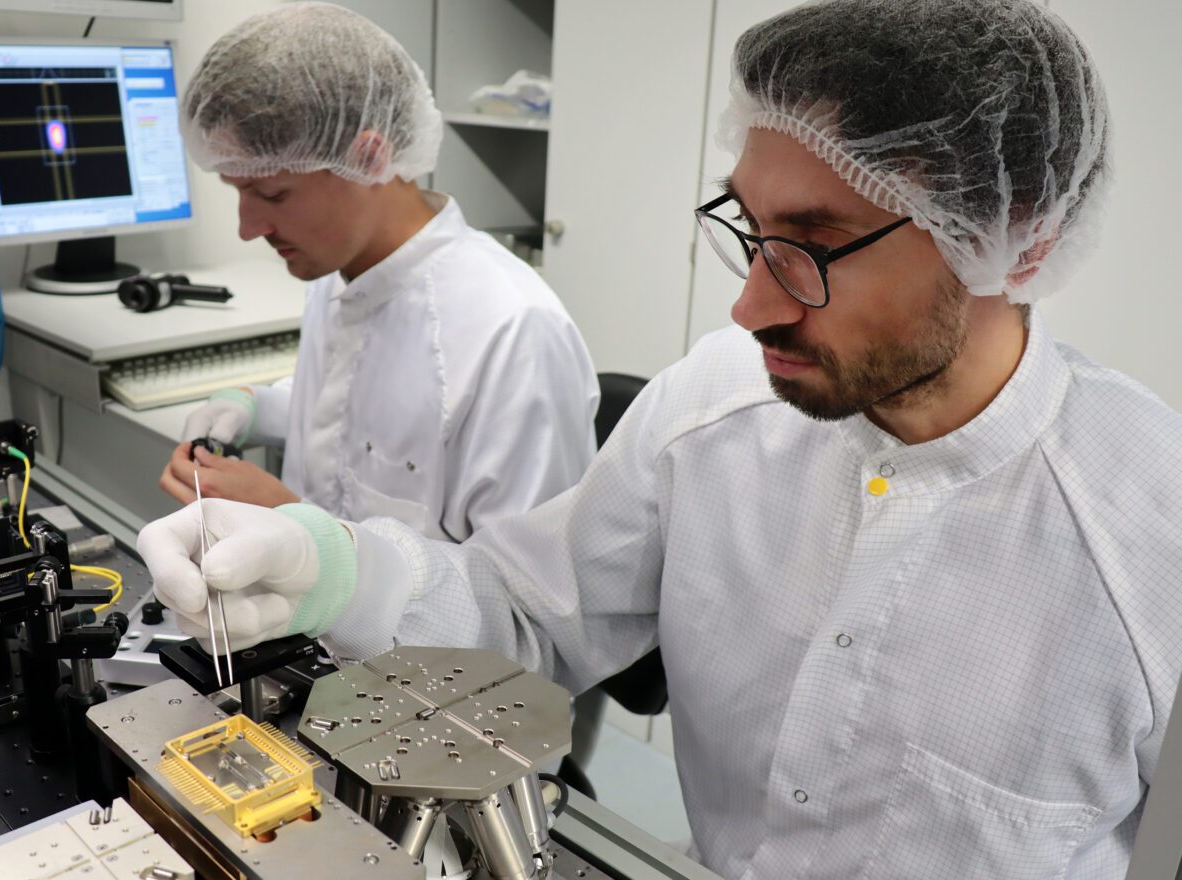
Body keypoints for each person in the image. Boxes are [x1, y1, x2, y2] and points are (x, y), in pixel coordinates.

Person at [138, 0, 1182, 876]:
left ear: (1015, 234)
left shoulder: (1150, 535)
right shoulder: (714, 409)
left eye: (814, 245)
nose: (750, 309)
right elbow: (530, 612)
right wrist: (330, 567)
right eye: (749, 230)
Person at [158, 3, 599, 542]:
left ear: (367, 157)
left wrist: (300, 529)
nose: (248, 228)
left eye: (272, 193)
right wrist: (254, 406)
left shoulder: (513, 334)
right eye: (237, 191)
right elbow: (352, 424)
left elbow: (526, 587)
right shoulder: (338, 265)